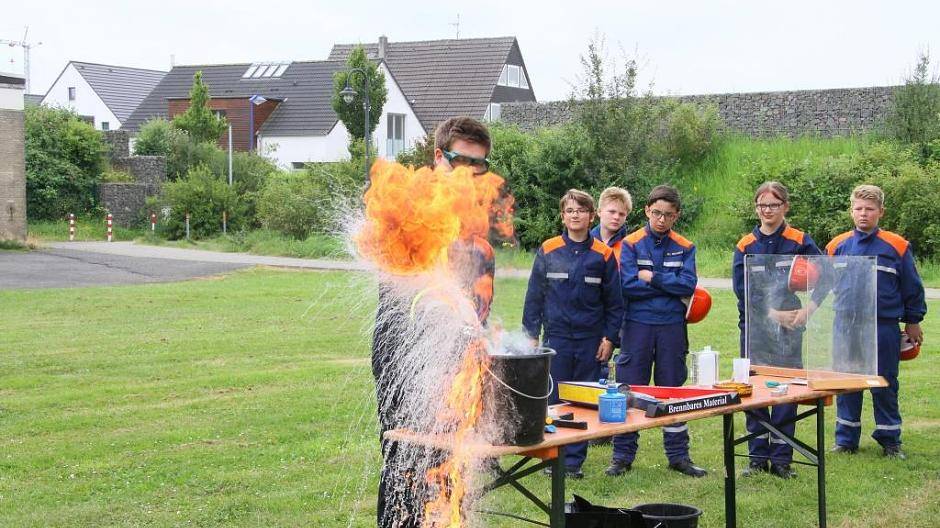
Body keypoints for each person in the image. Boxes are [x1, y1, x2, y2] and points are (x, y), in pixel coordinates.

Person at [372, 116, 496, 528]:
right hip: (405, 353)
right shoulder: (412, 205)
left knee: (452, 456)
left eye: (479, 166)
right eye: (461, 162)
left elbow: (479, 304)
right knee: (406, 459)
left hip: (458, 360)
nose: (471, 175)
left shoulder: (475, 230)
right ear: (440, 157)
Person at [607, 185, 707, 478]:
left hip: (672, 329)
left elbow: (688, 285)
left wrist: (652, 278)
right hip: (637, 326)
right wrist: (667, 286)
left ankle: (678, 457)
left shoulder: (686, 246)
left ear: (676, 216)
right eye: (656, 213)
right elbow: (627, 285)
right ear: (647, 211)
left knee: (672, 389)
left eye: (668, 215)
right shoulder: (631, 243)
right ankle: (622, 457)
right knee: (630, 389)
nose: (661, 219)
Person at [522, 189, 624, 479]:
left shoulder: (603, 255)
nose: (575, 215)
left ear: (591, 216)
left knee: (581, 399)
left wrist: (609, 338)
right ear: (563, 216)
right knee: (554, 399)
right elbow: (534, 298)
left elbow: (615, 304)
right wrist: (531, 335)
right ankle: (553, 458)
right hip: (557, 340)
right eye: (569, 210)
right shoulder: (549, 249)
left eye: (581, 210)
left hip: (591, 342)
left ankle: (573, 463)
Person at [827, 184, 926, 460]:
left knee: (884, 382)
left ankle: (890, 440)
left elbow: (912, 287)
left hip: (882, 325)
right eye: (858, 208)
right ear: (851, 210)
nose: (863, 214)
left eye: (869, 209)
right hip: (845, 324)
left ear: (881, 212)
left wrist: (913, 321)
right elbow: (822, 283)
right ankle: (846, 439)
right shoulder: (837, 246)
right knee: (847, 381)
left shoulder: (897, 246)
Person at [732, 181, 823, 479]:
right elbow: (741, 290)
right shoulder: (745, 245)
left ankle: (782, 458)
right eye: (762, 205)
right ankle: (756, 457)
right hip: (756, 329)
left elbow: (829, 275)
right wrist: (772, 314)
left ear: (786, 206)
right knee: (755, 390)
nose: (767, 210)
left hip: (791, 330)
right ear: (756, 207)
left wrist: (808, 309)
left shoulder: (800, 241)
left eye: (774, 204)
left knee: (786, 390)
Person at [590, 186, 633, 384]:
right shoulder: (586, 240)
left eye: (621, 214)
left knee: (617, 372)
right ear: (599, 212)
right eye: (611, 212)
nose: (616, 217)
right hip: (592, 315)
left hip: (623, 317)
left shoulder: (630, 245)